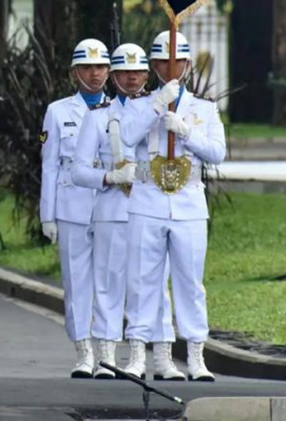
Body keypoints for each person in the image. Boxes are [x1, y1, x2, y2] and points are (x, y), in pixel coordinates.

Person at [71, 43, 179, 380]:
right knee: (108, 283)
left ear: (147, 75)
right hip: (112, 208)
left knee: (155, 284)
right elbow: (77, 171)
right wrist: (108, 176)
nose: (131, 78)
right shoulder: (98, 117)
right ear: (113, 77)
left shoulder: (159, 110)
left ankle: (162, 357)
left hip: (151, 208)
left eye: (137, 72)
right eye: (123, 72)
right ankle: (108, 356)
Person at [120, 31, 224, 382]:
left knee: (190, 283)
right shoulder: (137, 105)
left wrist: (185, 131)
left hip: (189, 204)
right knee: (142, 280)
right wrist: (155, 107)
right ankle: (138, 355)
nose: (171, 67)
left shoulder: (204, 109)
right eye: (163, 61)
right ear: (153, 65)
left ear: (188, 63)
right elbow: (126, 139)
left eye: (178, 60)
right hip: (147, 202)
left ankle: (196, 357)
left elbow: (218, 153)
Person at [40, 38, 110, 378]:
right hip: (72, 205)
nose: (94, 74)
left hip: (110, 206)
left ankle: (107, 351)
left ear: (109, 71)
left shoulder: (121, 109)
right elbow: (50, 166)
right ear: (74, 72)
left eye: (100, 67)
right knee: (76, 280)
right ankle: (83, 351)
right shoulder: (58, 111)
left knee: (109, 280)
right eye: (87, 67)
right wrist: (47, 215)